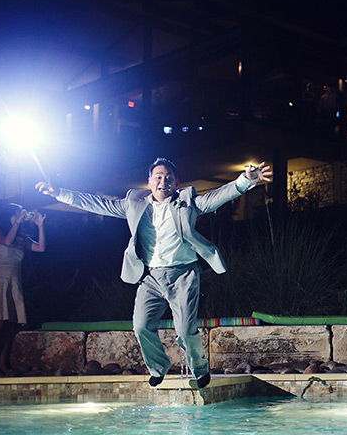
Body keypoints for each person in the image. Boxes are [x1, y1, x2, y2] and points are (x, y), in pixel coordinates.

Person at [36, 158, 272, 388]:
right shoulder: (133, 204)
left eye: (168, 178)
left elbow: (217, 197)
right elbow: (96, 203)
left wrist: (245, 180)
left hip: (183, 275)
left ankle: (199, 369)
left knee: (184, 331)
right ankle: (158, 368)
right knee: (140, 326)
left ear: (175, 182)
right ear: (149, 181)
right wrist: (58, 192)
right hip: (150, 277)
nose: (163, 181)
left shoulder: (187, 202)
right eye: (158, 177)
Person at [0, 204, 47, 375]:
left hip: (14, 282)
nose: (21, 217)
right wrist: (16, 223)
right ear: (9, 217)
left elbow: (41, 248)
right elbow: (6, 242)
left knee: (10, 325)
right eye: (18, 214)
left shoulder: (22, 238)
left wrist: (40, 226)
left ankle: (3, 363)